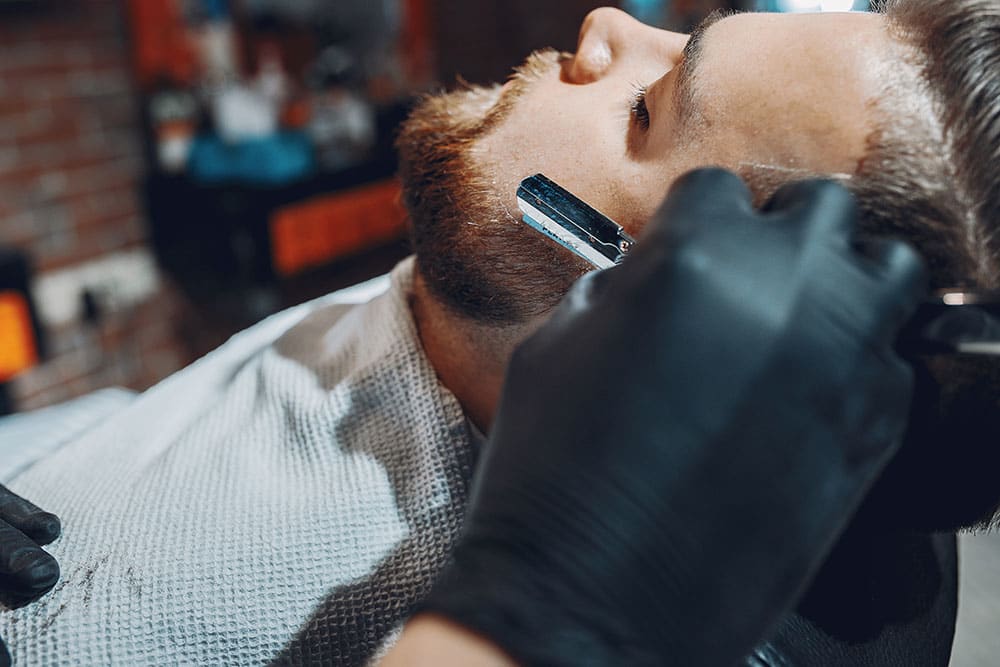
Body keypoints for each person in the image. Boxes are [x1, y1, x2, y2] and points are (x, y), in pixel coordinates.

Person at [1, 0, 998, 663]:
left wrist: (546, 608)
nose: (606, 26)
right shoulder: (440, 308)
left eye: (648, 110)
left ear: (665, 293)